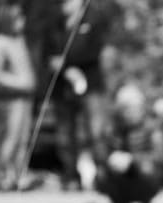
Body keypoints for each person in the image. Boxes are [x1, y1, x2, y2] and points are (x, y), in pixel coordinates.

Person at [42, 0, 112, 190]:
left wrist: (66, 64)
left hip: (91, 86)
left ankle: (104, 177)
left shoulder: (94, 21)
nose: (64, 4)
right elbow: (48, 53)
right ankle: (71, 176)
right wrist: (61, 69)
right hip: (62, 88)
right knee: (65, 134)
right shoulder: (53, 25)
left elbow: (94, 51)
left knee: (96, 133)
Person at [95, 84, 163, 203]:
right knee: (100, 174)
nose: (131, 113)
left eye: (135, 108)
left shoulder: (153, 128)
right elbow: (98, 150)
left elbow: (160, 156)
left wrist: (132, 160)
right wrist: (110, 159)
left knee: (147, 169)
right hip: (117, 175)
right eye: (126, 109)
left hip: (143, 176)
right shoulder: (109, 127)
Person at [0, 1, 36, 192]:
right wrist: (19, 83)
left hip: (25, 97)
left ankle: (19, 175)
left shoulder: (20, 40)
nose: (21, 21)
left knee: (24, 139)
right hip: (10, 99)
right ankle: (2, 175)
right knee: (10, 137)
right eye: (17, 18)